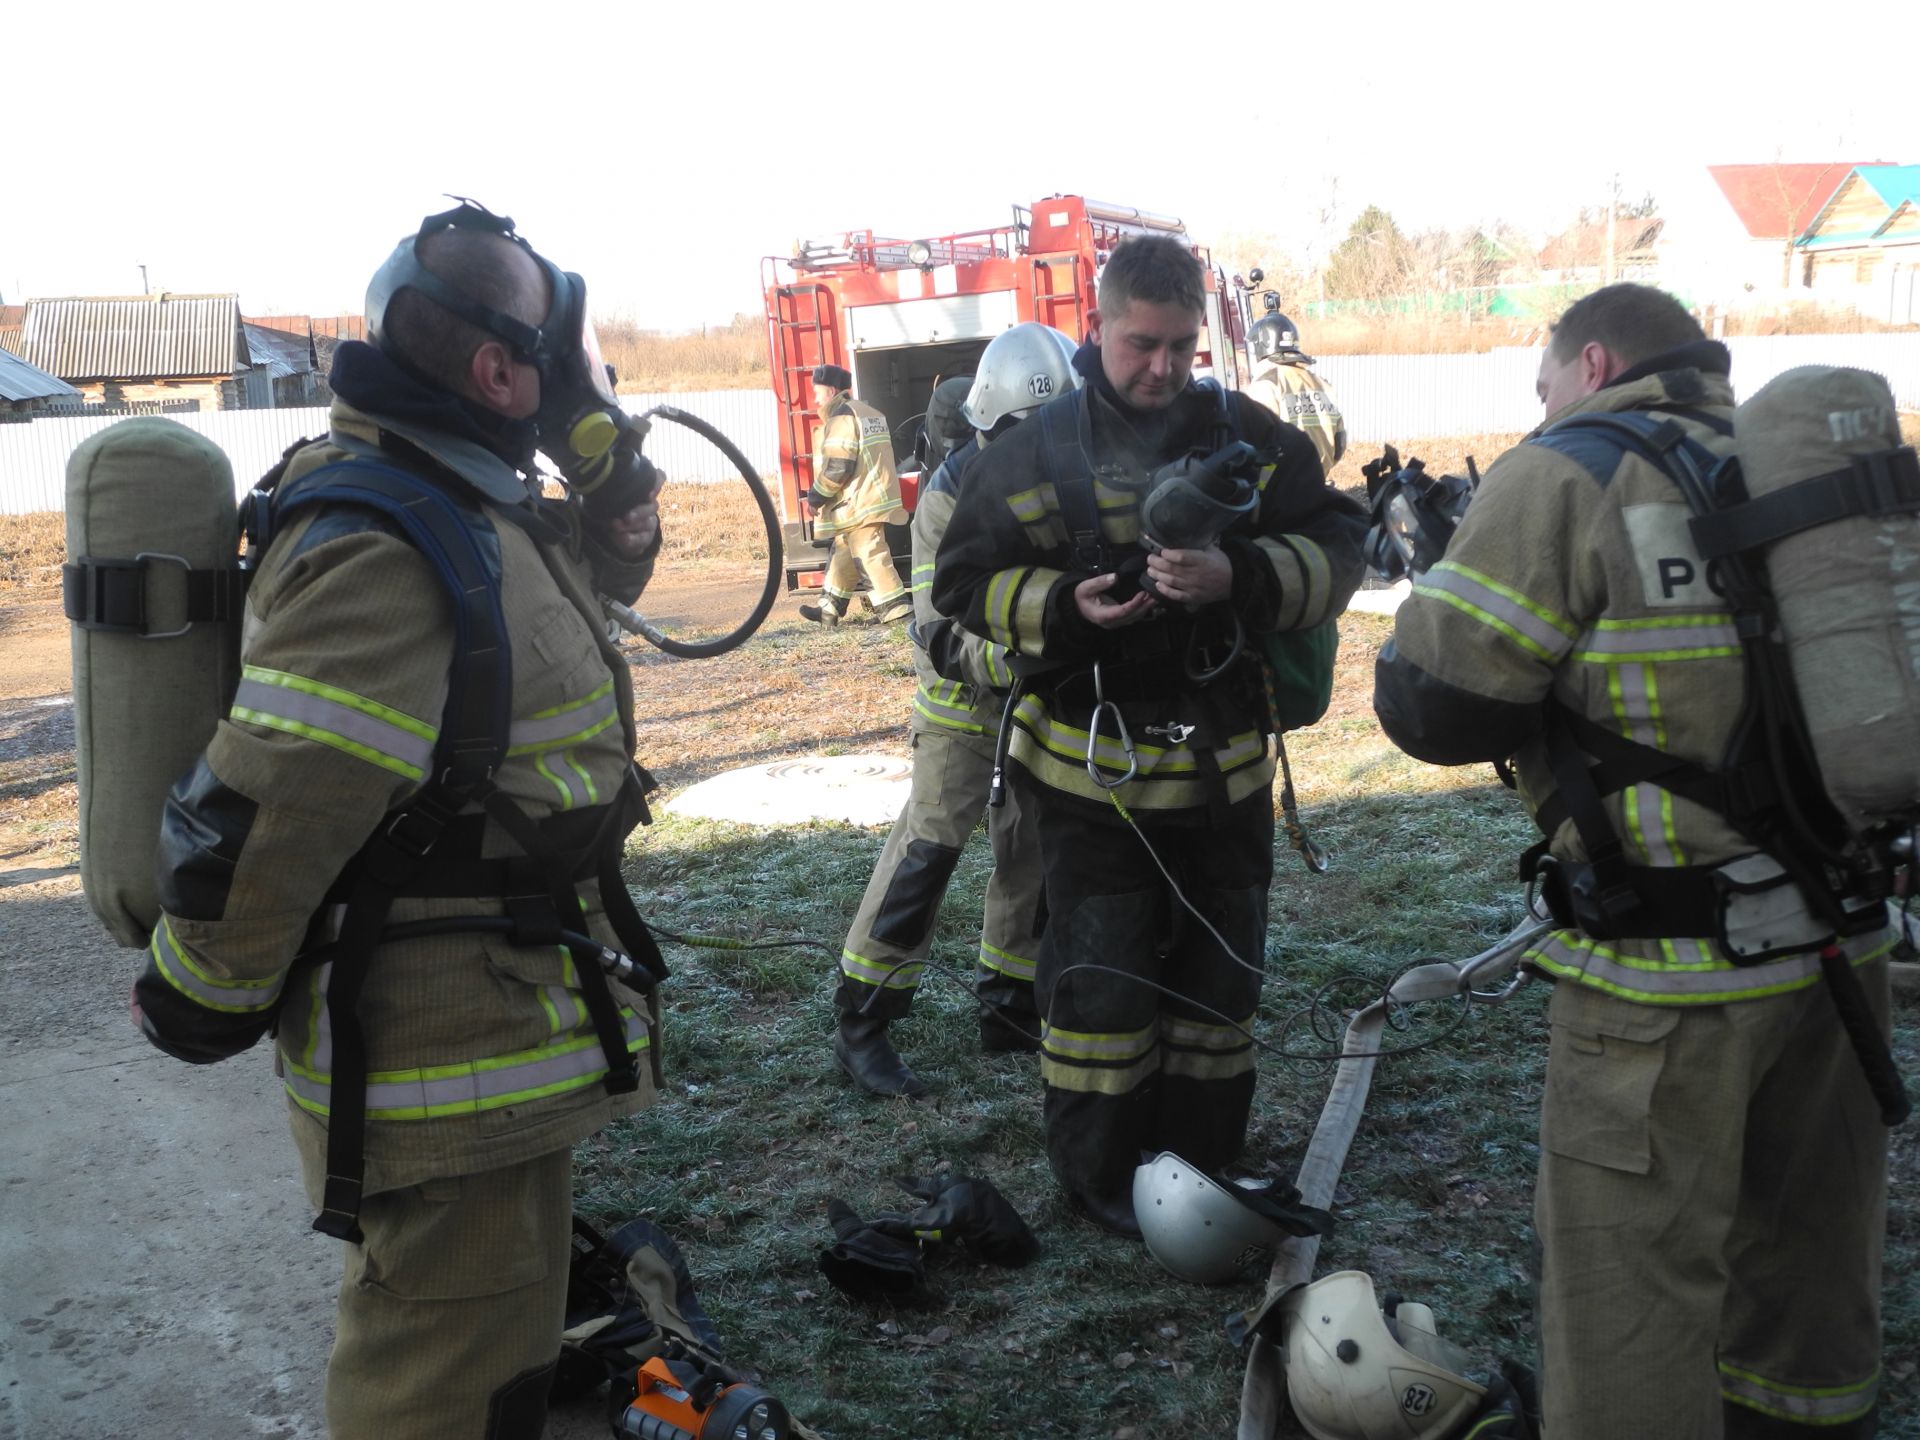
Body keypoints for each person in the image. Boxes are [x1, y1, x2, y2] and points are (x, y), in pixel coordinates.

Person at [129, 202, 666, 1440]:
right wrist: (194, 992)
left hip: (498, 1031)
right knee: (437, 1387)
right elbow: (281, 802)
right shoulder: (387, 541)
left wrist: (611, 488)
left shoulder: (463, 496)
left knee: (499, 1362)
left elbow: (554, 618)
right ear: (496, 370)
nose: (587, 370)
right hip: (446, 1075)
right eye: (563, 342)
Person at [1373, 282, 1895, 1440]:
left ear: (1592, 362)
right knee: (1808, 1266)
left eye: (1545, 382)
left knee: (1633, 1302)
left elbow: (1434, 708)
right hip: (1840, 951)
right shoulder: (1795, 475)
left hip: (1664, 994)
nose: (1544, 404)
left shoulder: (1570, 471)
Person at [932, 236, 1366, 1236]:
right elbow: (960, 586)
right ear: (1098, 326)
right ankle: (1100, 1181)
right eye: (1141, 344)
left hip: (1225, 780)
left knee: (1219, 988)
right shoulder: (1031, 454)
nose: (1163, 368)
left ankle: (1203, 1162)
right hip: (1092, 788)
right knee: (1101, 991)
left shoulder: (1252, 437)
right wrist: (1065, 604)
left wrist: (1241, 578)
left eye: (1180, 347)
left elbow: (1341, 546)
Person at [831, 323, 1078, 1098]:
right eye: (1028, 430)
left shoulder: (1071, 479)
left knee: (1030, 854)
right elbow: (937, 631)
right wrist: (1021, 657)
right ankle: (862, 1019)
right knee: (926, 853)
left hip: (1041, 709)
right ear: (991, 422)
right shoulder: (948, 496)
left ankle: (1009, 1004)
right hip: (964, 709)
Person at [798, 362, 910, 625]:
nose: (815, 398)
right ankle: (829, 609)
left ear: (832, 390)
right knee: (844, 552)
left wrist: (815, 497)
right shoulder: (866, 412)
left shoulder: (842, 418)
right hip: (871, 497)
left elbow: (839, 466)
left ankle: (898, 613)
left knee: (869, 553)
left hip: (860, 502)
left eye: (818, 391)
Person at [1239, 300, 1347, 472]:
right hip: (1318, 485)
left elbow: (1255, 448)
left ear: (1261, 346)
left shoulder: (1266, 385)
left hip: (1280, 491)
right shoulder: (1322, 385)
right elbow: (1339, 444)